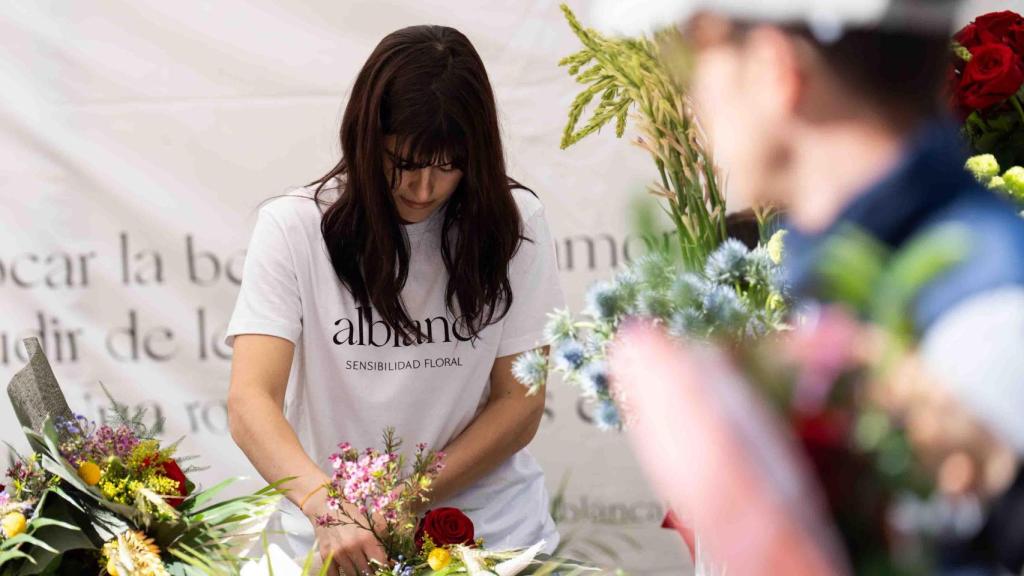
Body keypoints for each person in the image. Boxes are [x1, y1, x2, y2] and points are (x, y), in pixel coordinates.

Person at [594, 0, 1024, 573]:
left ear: (776, 69)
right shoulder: (837, 273)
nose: (693, 99)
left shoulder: (985, 317)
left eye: (700, 55)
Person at [224, 25, 563, 575]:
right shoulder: (294, 226)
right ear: (365, 138)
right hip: (331, 542)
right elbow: (250, 400)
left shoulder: (516, 224)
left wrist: (401, 503)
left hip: (492, 540)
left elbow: (519, 404)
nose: (423, 189)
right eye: (403, 162)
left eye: (447, 166)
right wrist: (325, 505)